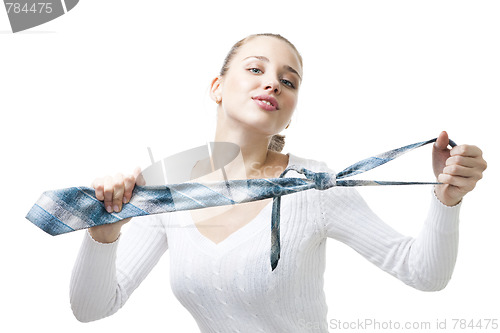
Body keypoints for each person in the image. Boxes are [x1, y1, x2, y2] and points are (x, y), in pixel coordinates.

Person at [70, 33, 487, 331]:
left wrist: (446, 200)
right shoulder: (169, 192)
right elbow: (92, 309)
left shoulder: (315, 188)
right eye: (255, 69)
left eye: (288, 81)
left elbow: (424, 274)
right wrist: (103, 235)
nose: (272, 82)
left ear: (289, 113)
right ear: (217, 88)